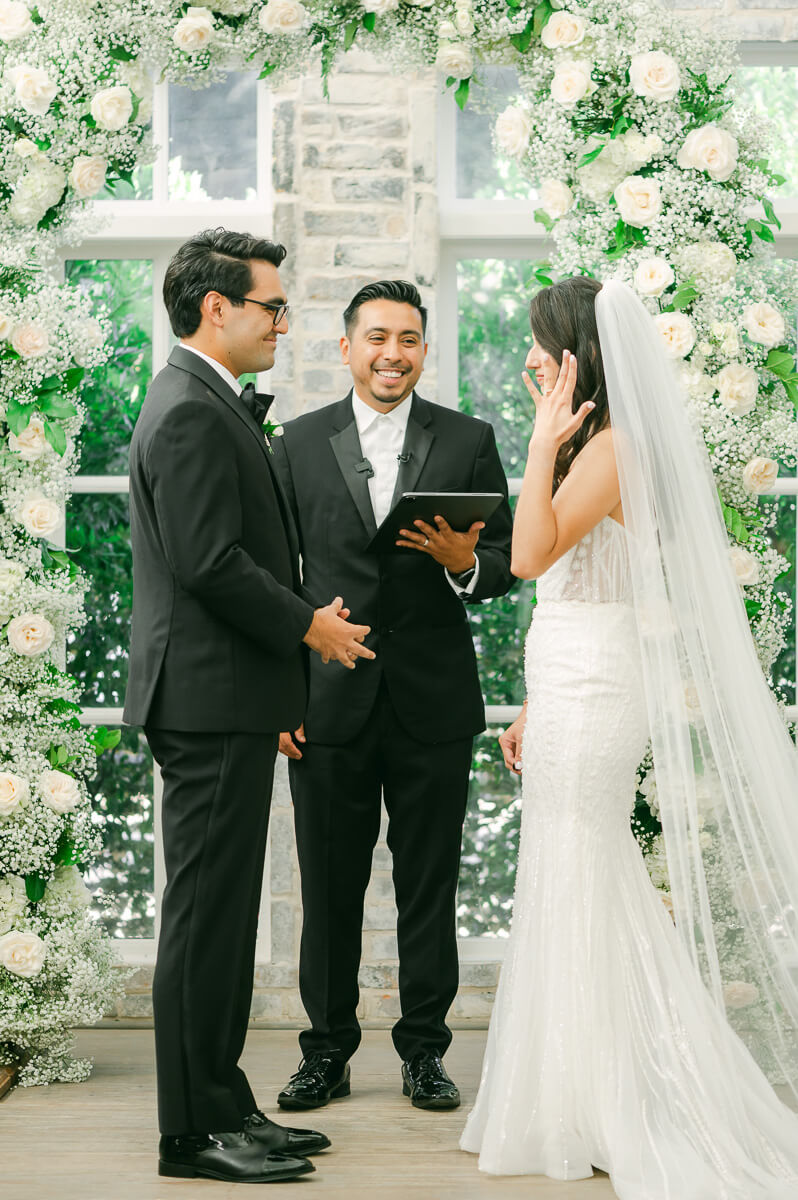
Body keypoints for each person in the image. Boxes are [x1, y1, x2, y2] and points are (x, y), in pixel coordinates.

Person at [460, 276, 798, 1199]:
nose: (529, 359)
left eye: (541, 343)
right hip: (574, 676)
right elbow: (576, 581)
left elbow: (527, 556)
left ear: (580, 357)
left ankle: (624, 1094)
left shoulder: (609, 448)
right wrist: (535, 702)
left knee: (583, 864)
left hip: (600, 684)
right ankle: (573, 1091)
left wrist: (540, 446)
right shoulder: (601, 444)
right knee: (572, 866)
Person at [123, 228, 375, 1184]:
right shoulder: (187, 409)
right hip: (204, 698)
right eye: (271, 305)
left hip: (226, 695)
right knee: (202, 919)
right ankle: (191, 1132)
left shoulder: (205, 400)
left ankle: (224, 1102)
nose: (283, 320)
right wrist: (311, 627)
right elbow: (209, 563)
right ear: (215, 308)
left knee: (223, 917)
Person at [271, 279, 515, 1113]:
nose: (393, 353)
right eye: (377, 337)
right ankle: (325, 1051)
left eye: (408, 339)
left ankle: (425, 1053)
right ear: (346, 348)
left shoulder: (469, 439)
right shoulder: (295, 443)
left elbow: (508, 564)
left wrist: (463, 563)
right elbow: (272, 583)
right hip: (326, 705)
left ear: (423, 350)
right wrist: (281, 699)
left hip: (433, 704)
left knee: (430, 885)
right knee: (329, 889)